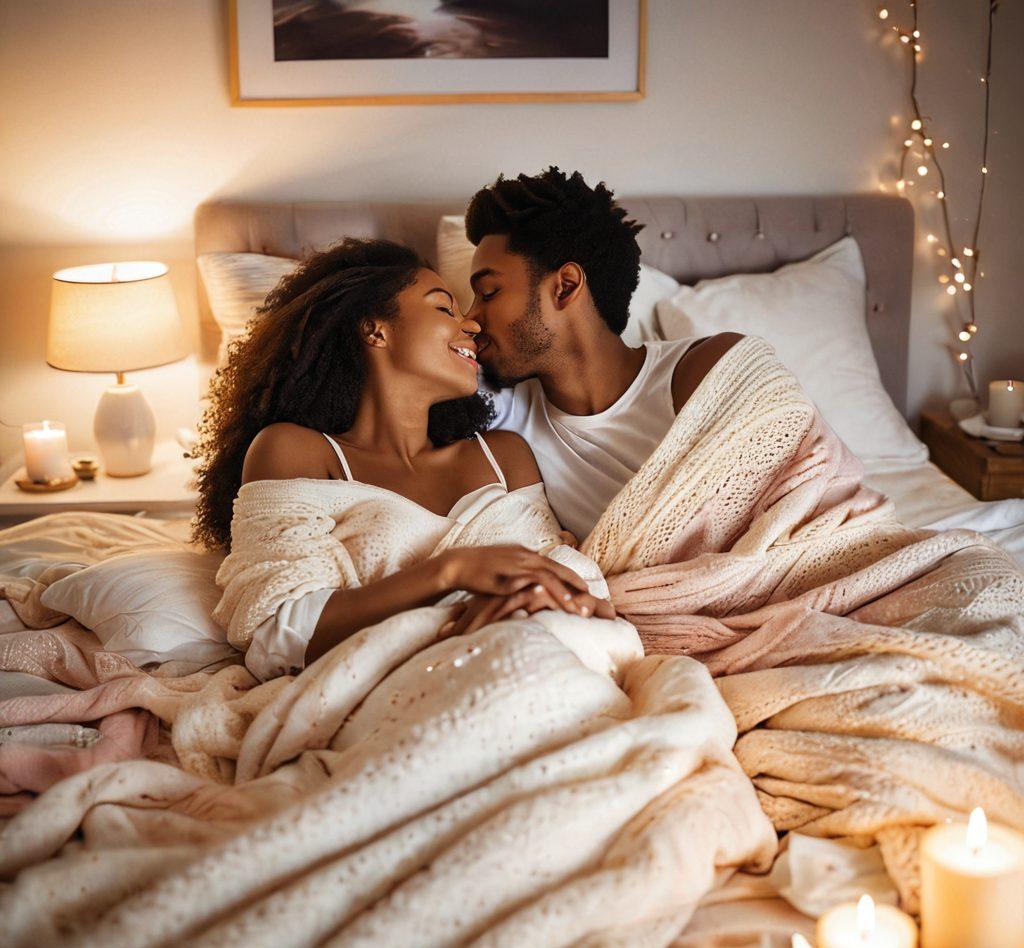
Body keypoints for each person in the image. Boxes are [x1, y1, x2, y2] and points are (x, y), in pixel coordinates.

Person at [190, 238, 614, 681]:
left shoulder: (504, 455)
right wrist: (451, 572)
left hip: (548, 664)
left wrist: (570, 595)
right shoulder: (296, 452)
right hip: (416, 690)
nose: (471, 323)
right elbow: (279, 634)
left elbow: (564, 585)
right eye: (443, 309)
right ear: (375, 329)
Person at [463, 165, 745, 542]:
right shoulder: (501, 413)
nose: (470, 319)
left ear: (564, 287)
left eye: (489, 293)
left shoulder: (708, 371)